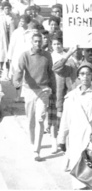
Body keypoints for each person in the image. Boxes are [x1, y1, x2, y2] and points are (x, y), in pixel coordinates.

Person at [57, 61, 92, 190]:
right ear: (78, 76)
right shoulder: (70, 97)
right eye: (82, 74)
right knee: (78, 174)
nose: (85, 76)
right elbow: (65, 120)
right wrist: (61, 139)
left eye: (88, 74)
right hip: (76, 138)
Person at [13, 33, 56, 161]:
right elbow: (19, 70)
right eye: (35, 41)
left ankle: (37, 150)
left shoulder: (47, 56)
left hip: (43, 90)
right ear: (31, 42)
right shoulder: (25, 56)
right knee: (31, 120)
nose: (38, 44)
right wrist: (17, 82)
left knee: (40, 119)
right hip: (29, 90)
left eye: (39, 41)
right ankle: (32, 143)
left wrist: (52, 89)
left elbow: (51, 73)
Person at [0, 1, 18, 72]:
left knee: (10, 51)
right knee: (2, 52)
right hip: (2, 36)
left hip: (11, 35)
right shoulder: (0, 16)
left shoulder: (14, 16)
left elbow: (16, 25)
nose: (7, 10)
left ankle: (8, 68)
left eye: (8, 8)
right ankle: (1, 68)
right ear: (3, 9)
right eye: (5, 8)